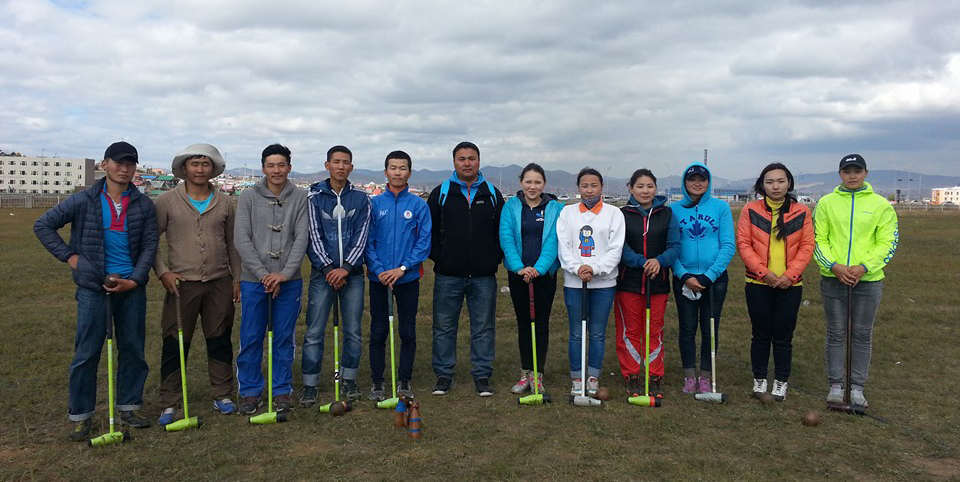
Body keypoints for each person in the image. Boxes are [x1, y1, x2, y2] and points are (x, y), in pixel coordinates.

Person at [34, 141, 157, 440]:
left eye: (130, 163)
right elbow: (43, 225)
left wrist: (137, 279)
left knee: (133, 350)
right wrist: (71, 257)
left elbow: (150, 245)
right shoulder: (84, 199)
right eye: (118, 162)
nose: (124, 168)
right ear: (105, 164)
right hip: (93, 288)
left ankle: (128, 406)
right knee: (87, 353)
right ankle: (81, 415)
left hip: (130, 289)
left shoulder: (143, 204)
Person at [153, 143, 241, 425]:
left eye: (205, 164)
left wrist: (236, 278)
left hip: (219, 281)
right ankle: (170, 401)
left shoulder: (226, 202)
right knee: (176, 342)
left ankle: (222, 393)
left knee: (219, 338)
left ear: (213, 168)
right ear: (184, 169)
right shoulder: (166, 201)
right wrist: (163, 272)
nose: (200, 169)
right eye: (195, 164)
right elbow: (150, 241)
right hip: (180, 283)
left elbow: (232, 244)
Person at [813, 154, 898, 407]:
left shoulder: (881, 205)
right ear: (840, 174)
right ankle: (837, 386)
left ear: (866, 173)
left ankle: (857, 388)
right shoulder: (826, 203)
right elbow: (818, 239)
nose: (852, 176)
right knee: (836, 333)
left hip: (868, 281)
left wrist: (863, 267)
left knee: (861, 334)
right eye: (847, 171)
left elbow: (887, 242)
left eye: (857, 171)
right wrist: (834, 266)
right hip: (833, 279)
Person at [234, 144, 310, 415]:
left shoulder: (301, 197)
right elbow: (241, 238)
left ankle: (282, 390)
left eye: (281, 165)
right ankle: (250, 391)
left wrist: (284, 274)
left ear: (289, 167)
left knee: (284, 337)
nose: (276, 170)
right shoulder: (247, 197)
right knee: (251, 335)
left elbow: (301, 238)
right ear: (263, 168)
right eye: (271, 165)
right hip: (253, 280)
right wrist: (264, 274)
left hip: (289, 281)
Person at [427, 141, 504, 397]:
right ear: (454, 162)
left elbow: (500, 233)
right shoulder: (441, 193)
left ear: (479, 161)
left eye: (471, 158)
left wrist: (493, 258)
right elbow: (430, 233)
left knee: (483, 327)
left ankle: (482, 375)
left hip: (483, 275)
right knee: (444, 326)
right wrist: (442, 258)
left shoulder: (492, 194)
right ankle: (443, 375)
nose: (467, 163)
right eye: (462, 159)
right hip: (448, 274)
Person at [737, 163, 814, 402]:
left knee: (783, 336)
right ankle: (759, 380)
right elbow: (744, 245)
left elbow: (807, 246)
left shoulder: (801, 212)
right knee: (760, 334)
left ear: (789, 183)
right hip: (758, 284)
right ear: (762, 185)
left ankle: (781, 381)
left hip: (790, 286)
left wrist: (789, 276)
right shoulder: (750, 210)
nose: (776, 186)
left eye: (781, 181)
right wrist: (764, 274)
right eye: (770, 182)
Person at [301, 145, 372, 404]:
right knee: (314, 331)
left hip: (352, 275)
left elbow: (362, 236)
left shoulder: (362, 199)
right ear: (327, 165)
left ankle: (350, 379)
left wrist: (347, 267)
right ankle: (310, 384)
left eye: (346, 162)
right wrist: (330, 268)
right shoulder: (313, 197)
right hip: (323, 274)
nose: (341, 166)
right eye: (336, 162)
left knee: (353, 329)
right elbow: (313, 236)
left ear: (351, 167)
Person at [364, 150, 432, 401]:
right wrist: (380, 269)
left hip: (407, 279)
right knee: (378, 331)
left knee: (407, 332)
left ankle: (404, 380)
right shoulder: (374, 204)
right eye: (393, 168)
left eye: (402, 168)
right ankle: (377, 382)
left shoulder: (418, 206)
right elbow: (367, 241)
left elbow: (423, 244)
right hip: (378, 278)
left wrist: (402, 268)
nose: (397, 172)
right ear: (385, 172)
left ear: (409, 173)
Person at [556, 168, 625, 396]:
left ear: (601, 187)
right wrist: (577, 268)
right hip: (575, 283)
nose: (589, 190)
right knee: (576, 332)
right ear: (578, 188)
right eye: (584, 185)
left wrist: (595, 268)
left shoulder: (614, 213)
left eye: (594, 185)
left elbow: (616, 248)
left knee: (596, 332)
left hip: (603, 284)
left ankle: (593, 377)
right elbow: (564, 247)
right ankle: (577, 379)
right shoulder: (567, 213)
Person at [671, 162, 735, 394]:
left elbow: (728, 245)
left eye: (702, 179)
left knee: (710, 327)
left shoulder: (720, 208)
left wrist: (709, 276)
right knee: (687, 328)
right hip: (684, 278)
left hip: (714, 279)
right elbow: (671, 247)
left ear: (708, 182)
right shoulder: (675, 210)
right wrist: (683, 275)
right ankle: (689, 375)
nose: (697, 183)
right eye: (692, 179)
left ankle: (706, 376)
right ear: (684, 183)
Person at [615, 169, 680, 398]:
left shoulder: (667, 214)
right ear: (631, 188)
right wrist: (642, 262)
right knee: (629, 331)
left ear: (656, 188)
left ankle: (654, 375)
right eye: (640, 186)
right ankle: (632, 374)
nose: (645, 190)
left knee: (654, 330)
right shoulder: (621, 214)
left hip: (658, 282)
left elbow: (674, 246)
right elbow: (620, 248)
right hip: (628, 283)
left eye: (650, 186)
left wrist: (659, 261)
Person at [498, 163, 562, 395]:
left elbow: (554, 240)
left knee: (541, 324)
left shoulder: (556, 208)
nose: (532, 186)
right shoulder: (511, 206)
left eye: (537, 182)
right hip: (519, 276)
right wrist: (519, 268)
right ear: (521, 183)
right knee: (524, 324)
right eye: (528, 182)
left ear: (544, 184)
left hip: (544, 275)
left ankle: (538, 375)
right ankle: (525, 373)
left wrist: (538, 268)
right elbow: (506, 238)